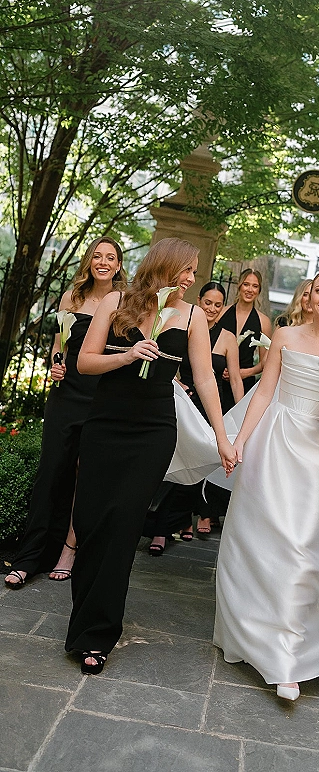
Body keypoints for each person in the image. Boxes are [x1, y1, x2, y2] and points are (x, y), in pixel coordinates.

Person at [64, 238, 235, 675]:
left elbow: (206, 379)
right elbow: (84, 362)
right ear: (167, 267)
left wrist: (222, 437)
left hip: (153, 429)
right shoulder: (116, 301)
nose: (193, 279)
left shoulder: (193, 315)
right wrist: (126, 357)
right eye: (189, 270)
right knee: (91, 520)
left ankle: (98, 634)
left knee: (122, 524)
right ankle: (82, 620)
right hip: (105, 423)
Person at [214, 269, 319, 701]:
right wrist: (240, 441)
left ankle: (289, 650)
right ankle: (257, 642)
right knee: (262, 541)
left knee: (302, 547)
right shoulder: (284, 335)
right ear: (308, 295)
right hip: (275, 445)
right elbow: (263, 392)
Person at [5, 237, 126, 589]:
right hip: (65, 393)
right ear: (89, 261)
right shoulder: (70, 297)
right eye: (97, 256)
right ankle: (29, 557)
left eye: (110, 257)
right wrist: (56, 364)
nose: (102, 262)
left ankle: (68, 551)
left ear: (118, 266)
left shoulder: (122, 303)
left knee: (83, 475)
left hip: (101, 394)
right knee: (50, 471)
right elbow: (59, 346)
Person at [146, 281, 243, 552]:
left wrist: (240, 414)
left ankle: (182, 520)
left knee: (198, 466)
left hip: (211, 405)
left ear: (223, 308)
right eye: (207, 302)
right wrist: (177, 382)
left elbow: (234, 378)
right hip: (182, 402)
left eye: (217, 304)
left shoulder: (228, 338)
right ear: (199, 300)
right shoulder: (183, 322)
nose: (211, 308)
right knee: (174, 463)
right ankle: (161, 529)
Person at [217, 268, 272, 410]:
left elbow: (265, 362)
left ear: (259, 290)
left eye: (255, 286)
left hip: (244, 383)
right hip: (216, 381)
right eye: (246, 284)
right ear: (239, 285)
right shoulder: (221, 313)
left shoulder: (263, 322)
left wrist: (244, 373)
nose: (250, 290)